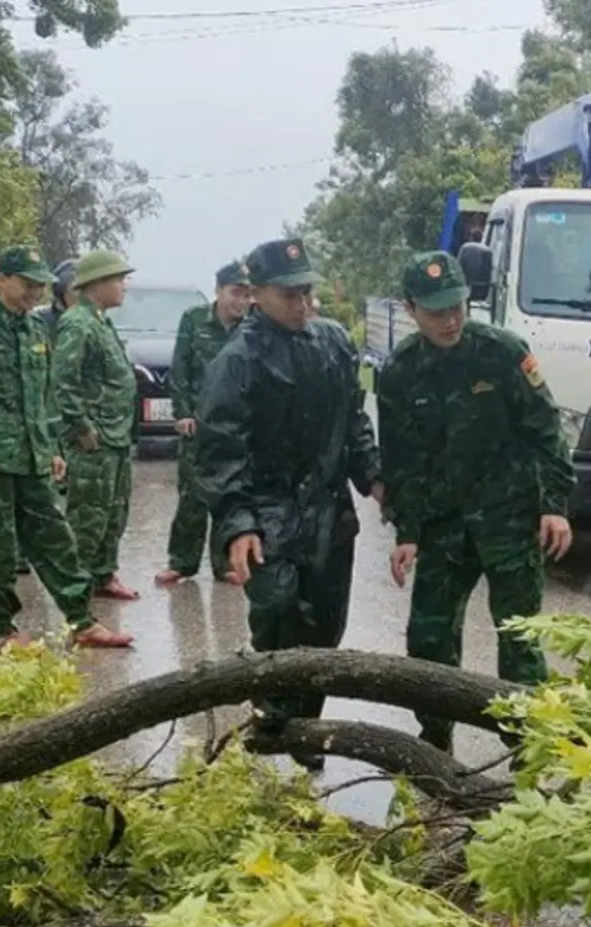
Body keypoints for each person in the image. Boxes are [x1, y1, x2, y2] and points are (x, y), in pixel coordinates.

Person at [376, 250, 575, 753]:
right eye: (437, 310)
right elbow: (401, 461)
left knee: (519, 640)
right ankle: (435, 740)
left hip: (509, 520)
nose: (450, 320)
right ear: (411, 308)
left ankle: (525, 750)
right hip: (444, 526)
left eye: (458, 306)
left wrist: (554, 505)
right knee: (429, 639)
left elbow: (547, 431)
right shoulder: (400, 371)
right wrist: (406, 532)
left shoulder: (503, 353)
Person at [194, 237, 381, 770]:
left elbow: (353, 422)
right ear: (257, 294)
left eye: (308, 292)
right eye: (289, 294)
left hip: (327, 509)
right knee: (277, 614)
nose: (302, 304)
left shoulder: (334, 343)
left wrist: (372, 476)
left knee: (324, 626)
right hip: (267, 509)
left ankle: (305, 730)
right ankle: (270, 720)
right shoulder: (238, 360)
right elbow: (220, 449)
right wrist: (237, 525)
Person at [0, 244, 132, 651]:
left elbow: (43, 393)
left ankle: (82, 621)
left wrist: (53, 448)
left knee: (54, 539)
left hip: (33, 456)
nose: (35, 293)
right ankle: (3, 631)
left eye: (40, 286)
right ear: (1, 281)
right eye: (27, 284)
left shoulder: (36, 329)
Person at [157, 259, 255, 587]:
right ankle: (181, 562)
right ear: (218, 291)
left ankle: (225, 562)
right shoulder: (195, 319)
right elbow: (180, 368)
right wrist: (182, 413)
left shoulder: (253, 326)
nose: (242, 301)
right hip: (199, 424)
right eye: (235, 293)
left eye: (247, 294)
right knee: (192, 495)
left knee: (231, 493)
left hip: (237, 427)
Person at [54, 249, 141, 602]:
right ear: (97, 284)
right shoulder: (78, 323)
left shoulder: (101, 321)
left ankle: (104, 575)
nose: (124, 286)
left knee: (114, 512)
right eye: (118, 280)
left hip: (115, 435)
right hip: (96, 438)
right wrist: (82, 427)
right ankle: (76, 590)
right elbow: (62, 382)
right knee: (88, 517)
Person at [17, 258, 77, 577]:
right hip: (39, 414)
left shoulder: (91, 322)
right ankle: (21, 552)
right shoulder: (41, 323)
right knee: (37, 489)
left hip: (69, 413)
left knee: (68, 488)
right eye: (73, 289)